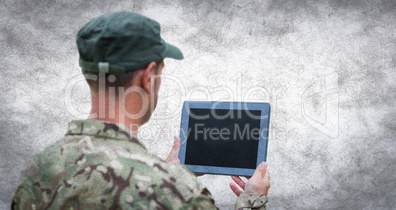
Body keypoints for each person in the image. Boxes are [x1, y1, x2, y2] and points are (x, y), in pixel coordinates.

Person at [12, 11, 270, 209]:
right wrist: (253, 199)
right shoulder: (178, 192)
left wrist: (167, 167)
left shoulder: (38, 170)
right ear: (148, 78)